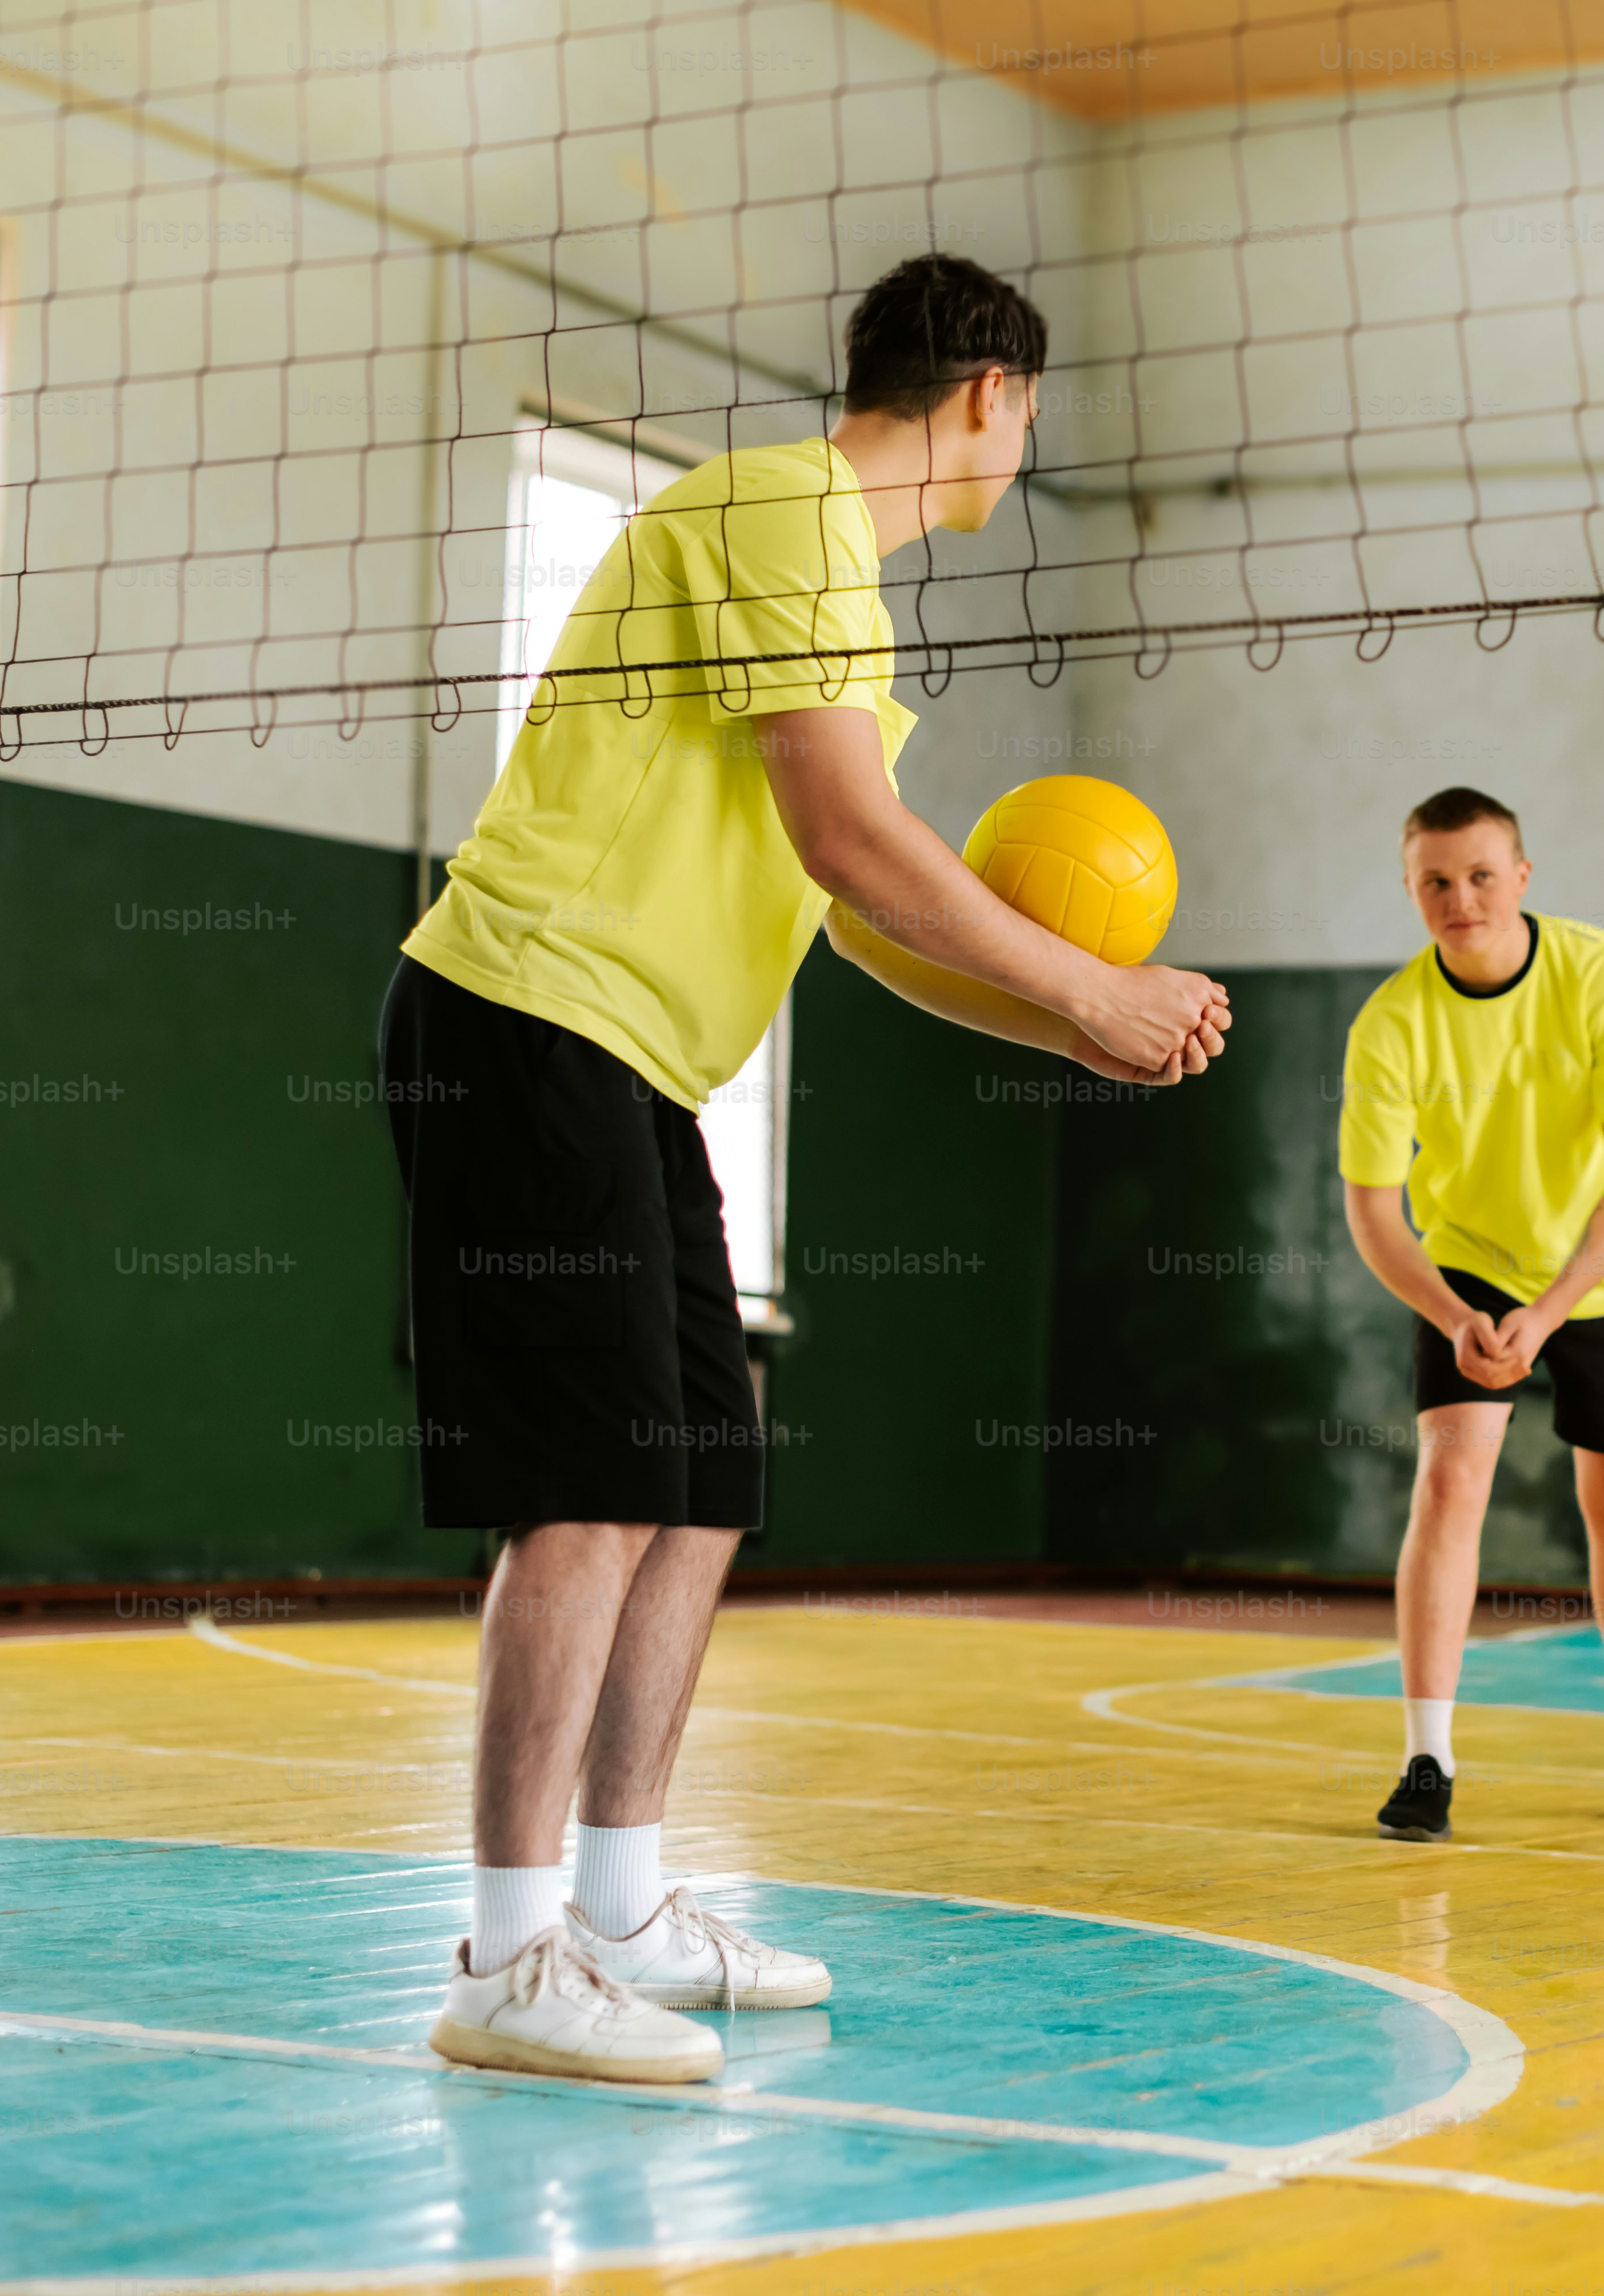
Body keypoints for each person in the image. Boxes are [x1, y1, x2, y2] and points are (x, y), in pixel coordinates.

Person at [384, 254, 1231, 2081]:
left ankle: (619, 1907)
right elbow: (857, 839)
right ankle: (508, 1952)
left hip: (633, 1062)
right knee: (593, 1483)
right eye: (1032, 416)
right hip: (530, 1017)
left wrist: (1077, 1029)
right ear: (994, 394)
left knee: (697, 1480)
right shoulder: (788, 511)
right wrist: (1097, 974)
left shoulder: (826, 572)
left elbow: (848, 917)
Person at [1337, 787, 1604, 1844]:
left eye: (1481, 875)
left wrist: (1551, 1313)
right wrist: (1458, 1314)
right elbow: (1374, 1210)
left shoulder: (1601, 974)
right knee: (1449, 1490)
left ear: (1523, 878)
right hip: (1470, 1274)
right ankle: (1427, 1760)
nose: (1461, 899)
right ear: (1412, 890)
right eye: (1436, 882)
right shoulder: (1391, 1024)